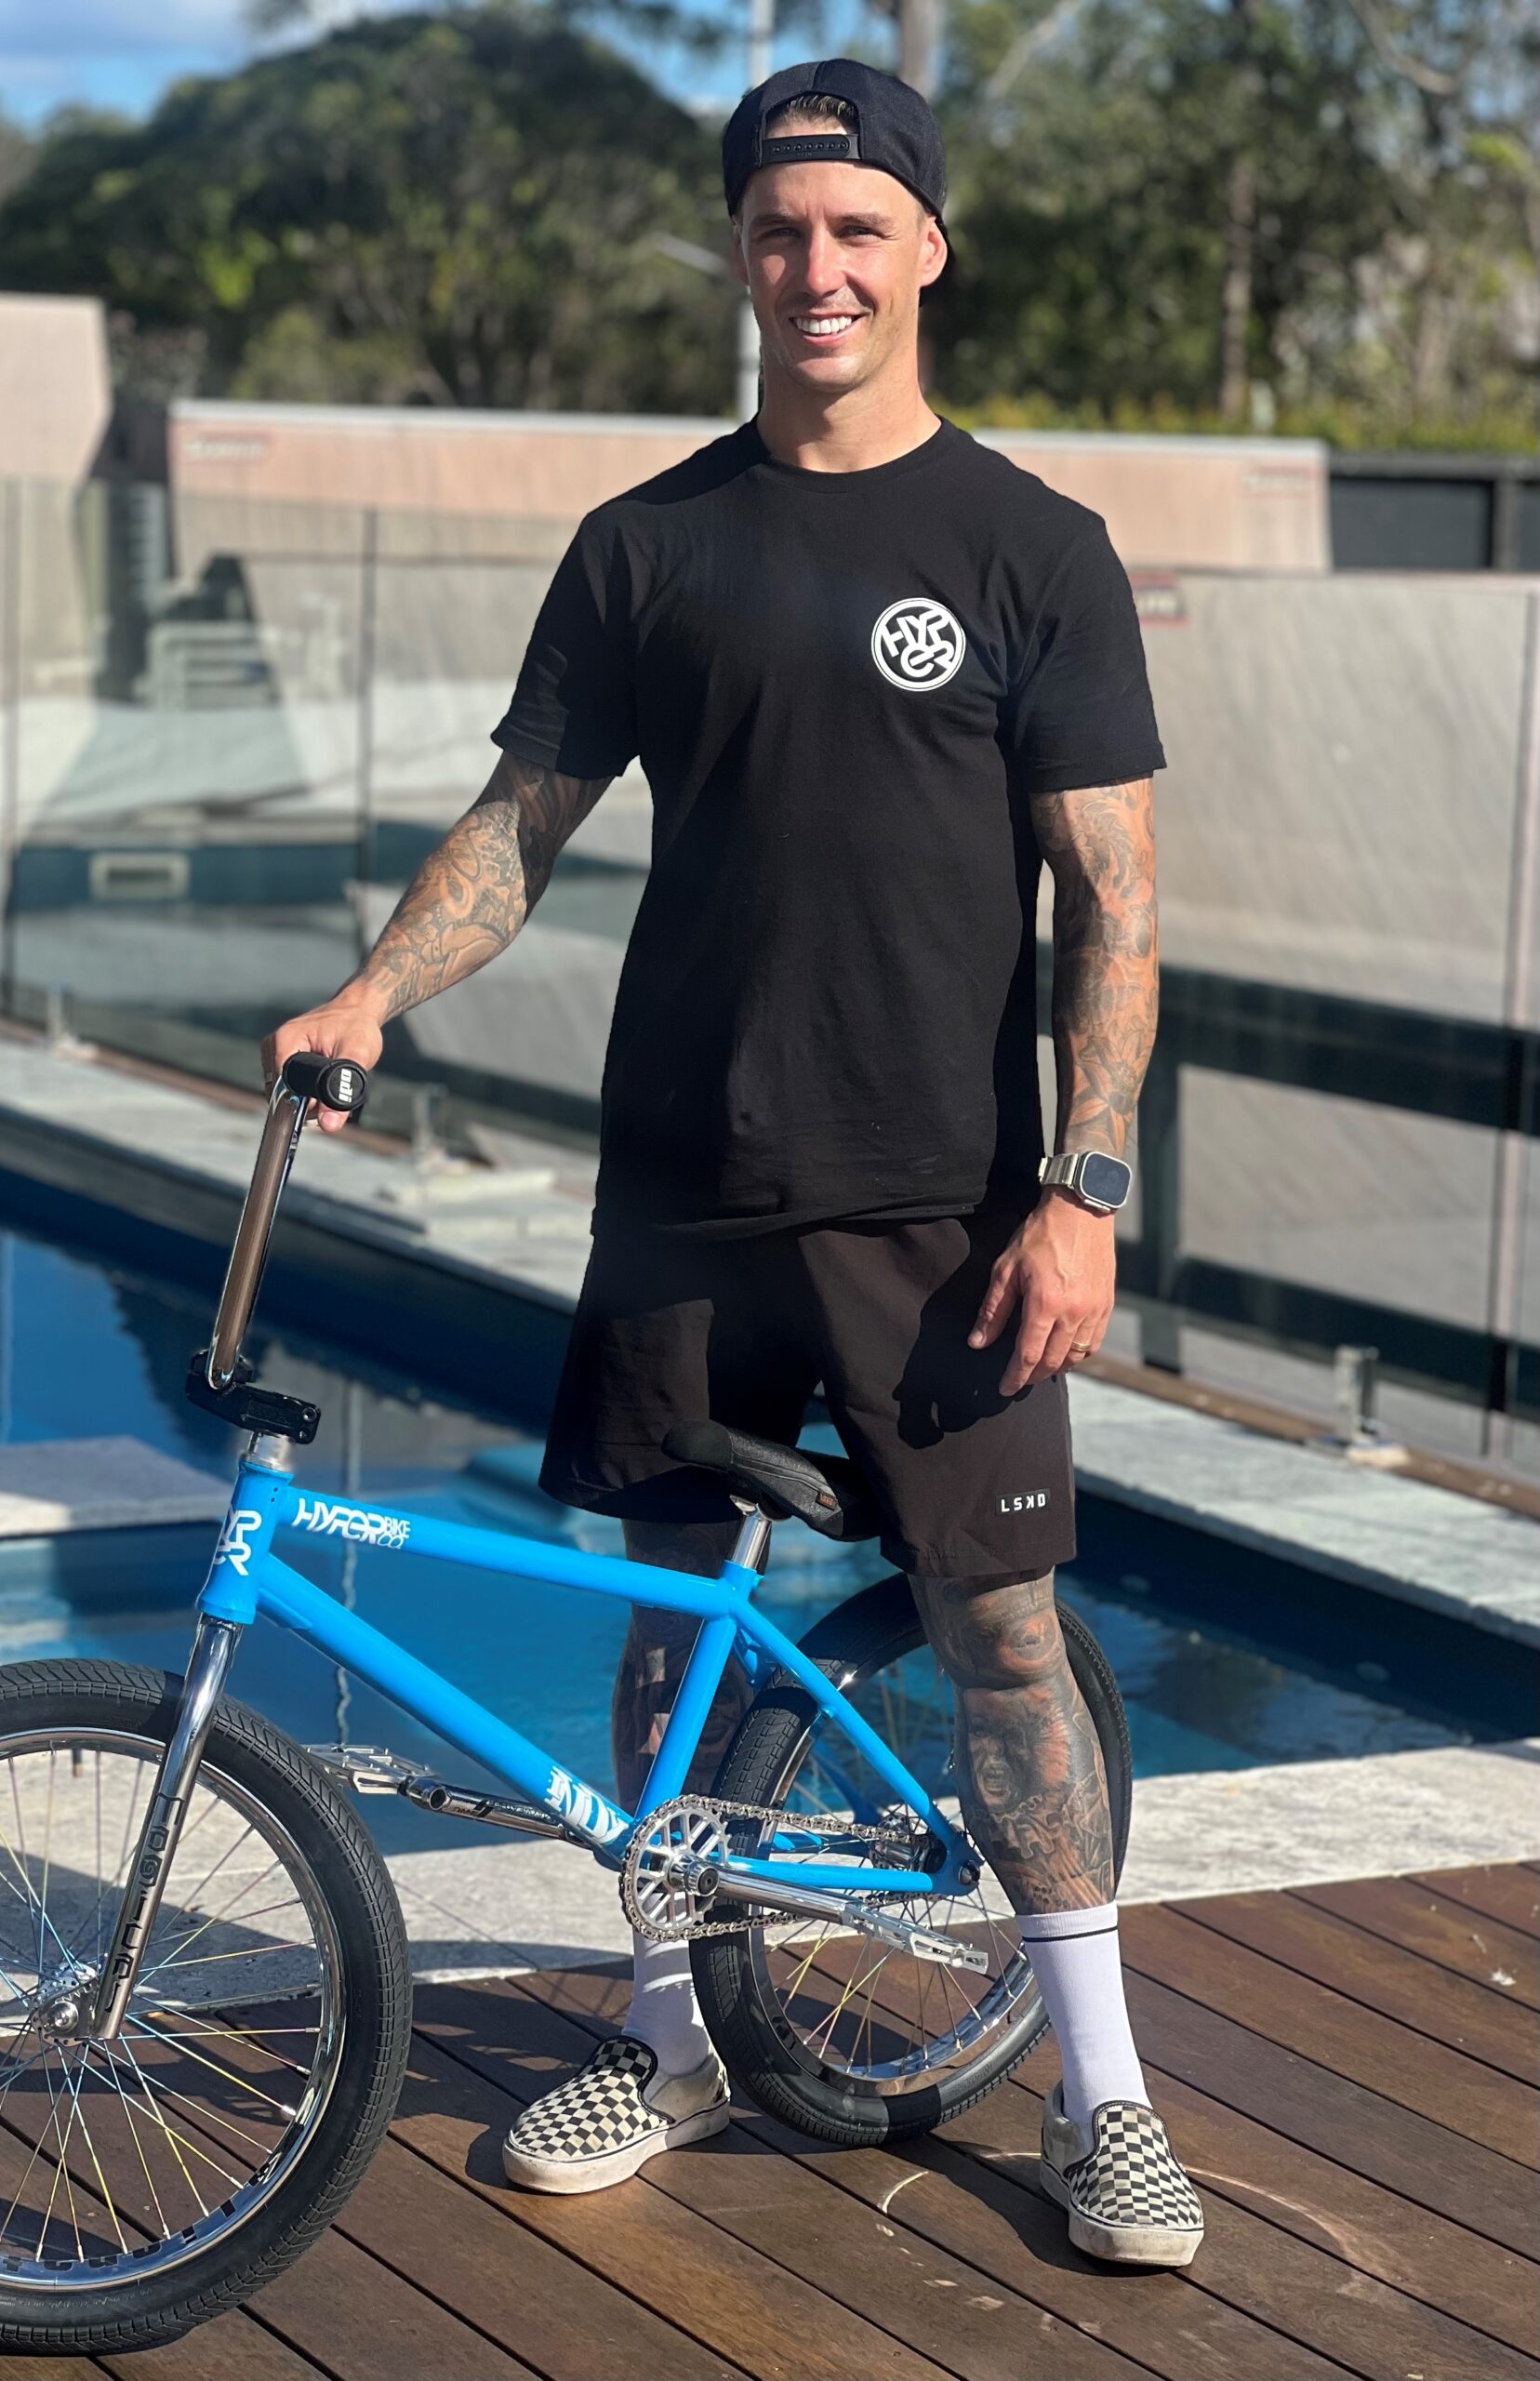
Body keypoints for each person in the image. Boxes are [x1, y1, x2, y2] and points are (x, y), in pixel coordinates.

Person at [264, 56, 1203, 2269]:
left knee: (1002, 1634)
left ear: (927, 248)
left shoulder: (1032, 551)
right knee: (663, 1626)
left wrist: (1080, 1190)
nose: (818, 266)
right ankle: (668, 2030)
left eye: (858, 227)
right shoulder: (649, 545)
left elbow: (1118, 905)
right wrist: (373, 991)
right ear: (741, 252)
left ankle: (1106, 2095)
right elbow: (521, 826)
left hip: (943, 1210)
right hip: (682, 1192)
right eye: (782, 229)